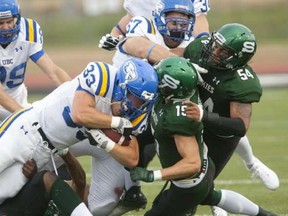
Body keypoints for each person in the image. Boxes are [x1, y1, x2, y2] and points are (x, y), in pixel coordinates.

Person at [0, 58, 159, 208]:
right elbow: (80, 114)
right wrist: (117, 122)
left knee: (5, 193)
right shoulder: (102, 75)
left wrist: (107, 144)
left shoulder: (137, 114)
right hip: (26, 129)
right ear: (122, 86)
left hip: (45, 150)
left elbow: (132, 158)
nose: (137, 106)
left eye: (143, 102)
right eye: (135, 98)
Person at [130, 56, 277, 216]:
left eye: (160, 79)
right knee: (213, 197)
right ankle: (264, 214)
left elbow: (193, 164)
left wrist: (153, 174)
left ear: (169, 86)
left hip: (190, 182)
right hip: (206, 167)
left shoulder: (177, 117)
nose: (155, 80)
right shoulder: (186, 92)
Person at [182, 23, 279, 213]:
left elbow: (239, 127)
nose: (214, 52)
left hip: (218, 135)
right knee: (189, 185)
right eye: (215, 45)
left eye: (223, 52)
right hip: (191, 122)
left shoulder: (242, 82)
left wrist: (204, 116)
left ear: (238, 59)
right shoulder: (198, 48)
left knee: (198, 188)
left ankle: (247, 168)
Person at [0, 0, 71, 121]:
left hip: (16, 95)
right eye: (0, 23)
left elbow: (53, 71)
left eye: (9, 21)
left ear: (16, 19)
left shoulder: (27, 31)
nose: (6, 27)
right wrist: (26, 116)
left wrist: (76, 94)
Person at [0, 151, 92, 216]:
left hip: (25, 192)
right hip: (58, 179)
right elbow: (80, 182)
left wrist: (34, 178)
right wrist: (64, 152)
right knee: (87, 192)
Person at [98, 0, 210, 51]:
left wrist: (203, 42)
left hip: (179, 44)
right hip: (144, 47)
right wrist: (114, 37)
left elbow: (199, 18)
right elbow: (129, 18)